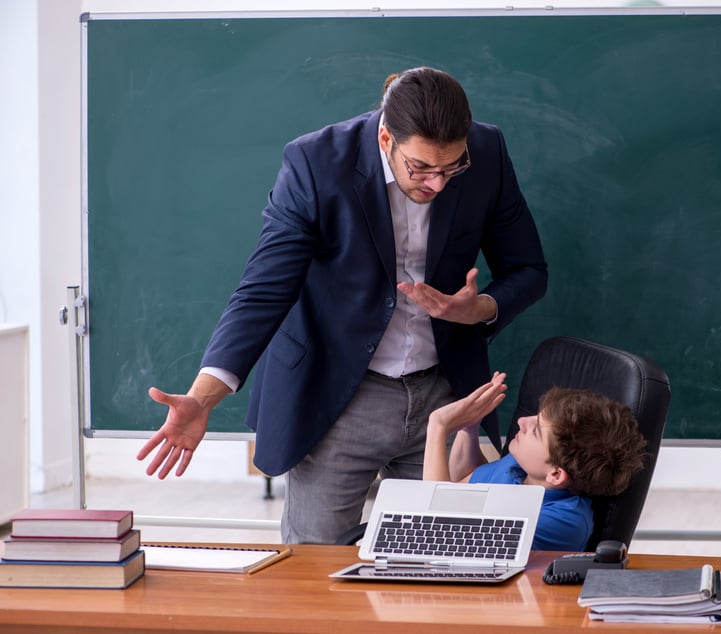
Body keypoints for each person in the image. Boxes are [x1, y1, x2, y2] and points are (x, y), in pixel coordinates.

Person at [136, 67, 548, 544]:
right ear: (386, 136)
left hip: (445, 395)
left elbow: (529, 270)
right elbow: (264, 288)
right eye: (420, 168)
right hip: (340, 397)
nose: (437, 184)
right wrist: (204, 394)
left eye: (450, 168)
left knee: (440, 560)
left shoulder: (487, 152)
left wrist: (477, 310)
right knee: (312, 572)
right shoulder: (315, 163)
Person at [423, 372, 647, 551]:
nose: (521, 421)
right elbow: (464, 480)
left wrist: (438, 427)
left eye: (537, 431)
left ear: (556, 474)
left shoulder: (565, 521)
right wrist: (469, 428)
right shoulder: (521, 468)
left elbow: (436, 529)